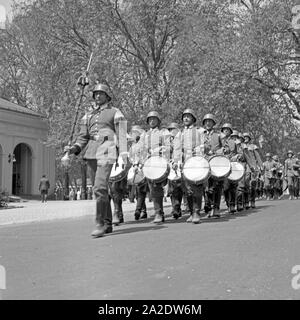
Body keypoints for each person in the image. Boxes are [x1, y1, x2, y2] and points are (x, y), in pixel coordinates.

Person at [64, 82, 127, 238]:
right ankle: (107, 222)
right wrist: (73, 149)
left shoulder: (115, 112)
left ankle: (99, 223)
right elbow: (82, 138)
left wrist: (124, 155)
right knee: (100, 189)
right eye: (95, 94)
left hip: (107, 149)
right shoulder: (88, 115)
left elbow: (122, 133)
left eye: (101, 94)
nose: (97, 96)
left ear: (107, 96)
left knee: (99, 187)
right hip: (91, 152)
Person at [136, 111, 171, 223]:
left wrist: (159, 150)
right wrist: (140, 159)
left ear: (158, 121)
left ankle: (158, 213)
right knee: (151, 189)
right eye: (150, 119)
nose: (151, 121)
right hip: (148, 164)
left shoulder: (163, 132)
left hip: (159, 163)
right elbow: (139, 149)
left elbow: (169, 147)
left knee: (156, 188)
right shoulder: (144, 135)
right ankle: (158, 212)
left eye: (154, 119)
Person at [173, 109, 205, 223]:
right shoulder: (180, 133)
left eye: (188, 116)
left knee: (197, 188)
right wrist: (176, 161)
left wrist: (200, 152)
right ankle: (192, 212)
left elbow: (205, 145)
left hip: (197, 162)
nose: (185, 118)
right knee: (188, 189)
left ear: (193, 119)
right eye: (184, 117)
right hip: (185, 164)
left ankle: (197, 212)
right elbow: (176, 149)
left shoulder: (200, 131)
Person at [202, 113, 223, 217]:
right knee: (205, 186)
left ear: (213, 123)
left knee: (217, 186)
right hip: (204, 163)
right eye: (206, 121)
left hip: (216, 162)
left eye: (210, 121)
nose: (208, 123)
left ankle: (216, 207)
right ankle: (208, 207)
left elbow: (226, 148)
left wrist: (218, 151)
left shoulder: (218, 135)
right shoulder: (201, 135)